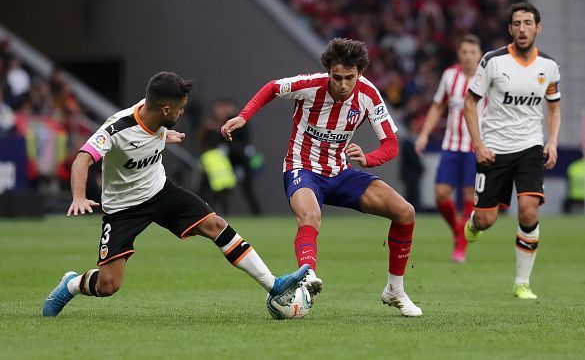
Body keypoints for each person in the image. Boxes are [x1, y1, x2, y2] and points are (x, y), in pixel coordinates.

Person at [42, 71, 309, 317]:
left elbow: (149, 129)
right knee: (109, 284)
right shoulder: (117, 128)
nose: (182, 113)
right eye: (180, 109)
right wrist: (78, 196)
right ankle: (72, 284)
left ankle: (273, 285)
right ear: (166, 109)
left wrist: (163, 134)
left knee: (215, 225)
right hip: (123, 208)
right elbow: (83, 158)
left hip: (161, 191)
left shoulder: (156, 114)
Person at [221, 38, 422, 317]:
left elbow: (391, 145)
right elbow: (272, 88)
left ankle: (395, 290)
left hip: (339, 172)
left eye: (349, 78)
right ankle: (308, 275)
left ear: (360, 73)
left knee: (405, 212)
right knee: (310, 215)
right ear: (329, 71)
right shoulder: (310, 85)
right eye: (337, 77)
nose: (342, 84)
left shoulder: (369, 95)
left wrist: (368, 159)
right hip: (301, 168)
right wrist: (244, 116)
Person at [463, 2, 561, 299]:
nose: (522, 28)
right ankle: (474, 223)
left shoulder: (549, 66)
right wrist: (478, 145)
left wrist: (552, 141)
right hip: (494, 150)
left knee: (529, 211)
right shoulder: (493, 61)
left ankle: (522, 282)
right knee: (486, 220)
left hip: (530, 147)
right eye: (517, 23)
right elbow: (470, 103)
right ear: (510, 29)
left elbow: (554, 108)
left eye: (528, 23)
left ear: (537, 28)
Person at [415, 34, 483, 263]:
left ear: (480, 55)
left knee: (467, 196)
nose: (468, 57)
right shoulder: (450, 76)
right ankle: (458, 230)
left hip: (476, 147)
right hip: (451, 145)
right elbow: (437, 107)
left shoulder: (487, 79)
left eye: (473, 52)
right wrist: (424, 134)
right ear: (458, 54)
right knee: (440, 195)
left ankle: (460, 248)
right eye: (464, 52)